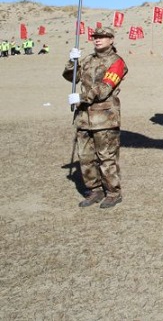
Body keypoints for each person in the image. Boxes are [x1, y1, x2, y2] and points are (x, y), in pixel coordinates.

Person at [63, 26, 128, 208]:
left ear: (111, 40)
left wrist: (81, 97)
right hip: (84, 118)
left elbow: (105, 88)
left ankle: (113, 193)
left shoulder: (117, 62)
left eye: (102, 37)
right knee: (85, 158)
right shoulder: (88, 60)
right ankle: (95, 190)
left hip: (105, 118)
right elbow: (71, 77)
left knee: (106, 158)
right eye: (95, 37)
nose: (97, 39)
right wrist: (72, 62)